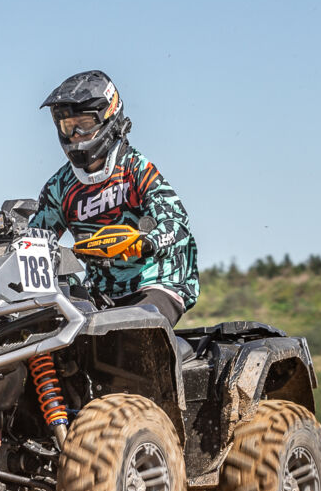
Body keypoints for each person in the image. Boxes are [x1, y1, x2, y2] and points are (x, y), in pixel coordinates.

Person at [29, 70, 199, 326]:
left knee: (134, 328)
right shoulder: (59, 187)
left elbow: (177, 222)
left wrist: (149, 242)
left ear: (108, 118)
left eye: (84, 125)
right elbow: (35, 239)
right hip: (98, 293)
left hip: (155, 284)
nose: (76, 134)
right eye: (68, 126)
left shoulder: (137, 168)